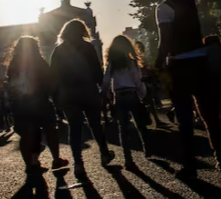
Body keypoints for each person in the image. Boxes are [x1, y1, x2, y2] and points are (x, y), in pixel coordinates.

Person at [155, 0, 221, 177]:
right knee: (209, 114)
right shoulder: (189, 1)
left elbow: (165, 39)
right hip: (200, 62)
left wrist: (159, 62)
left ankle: (190, 165)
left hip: (179, 65)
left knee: (184, 116)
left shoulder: (163, 8)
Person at [50, 19, 115, 180]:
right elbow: (97, 71)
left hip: (68, 94)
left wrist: (56, 98)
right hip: (88, 90)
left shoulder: (58, 50)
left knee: (75, 129)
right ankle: (104, 153)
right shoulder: (88, 47)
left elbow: (53, 76)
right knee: (95, 124)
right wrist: (104, 90)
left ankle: (78, 164)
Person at [6, 36, 68, 175]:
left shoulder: (14, 64)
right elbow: (51, 80)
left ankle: (31, 163)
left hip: (21, 104)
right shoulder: (39, 61)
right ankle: (56, 159)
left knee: (28, 134)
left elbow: (10, 83)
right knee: (50, 130)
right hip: (41, 101)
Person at [102, 35, 150, 170]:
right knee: (140, 124)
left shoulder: (112, 64)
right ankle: (147, 149)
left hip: (119, 96)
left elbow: (106, 81)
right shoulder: (132, 62)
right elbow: (138, 80)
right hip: (132, 93)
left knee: (123, 129)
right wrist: (143, 95)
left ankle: (128, 159)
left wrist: (104, 96)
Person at [135, 40, 167, 128]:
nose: (141, 49)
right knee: (148, 103)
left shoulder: (141, 58)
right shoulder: (136, 58)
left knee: (149, 102)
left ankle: (154, 120)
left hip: (145, 83)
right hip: (142, 83)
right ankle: (152, 121)